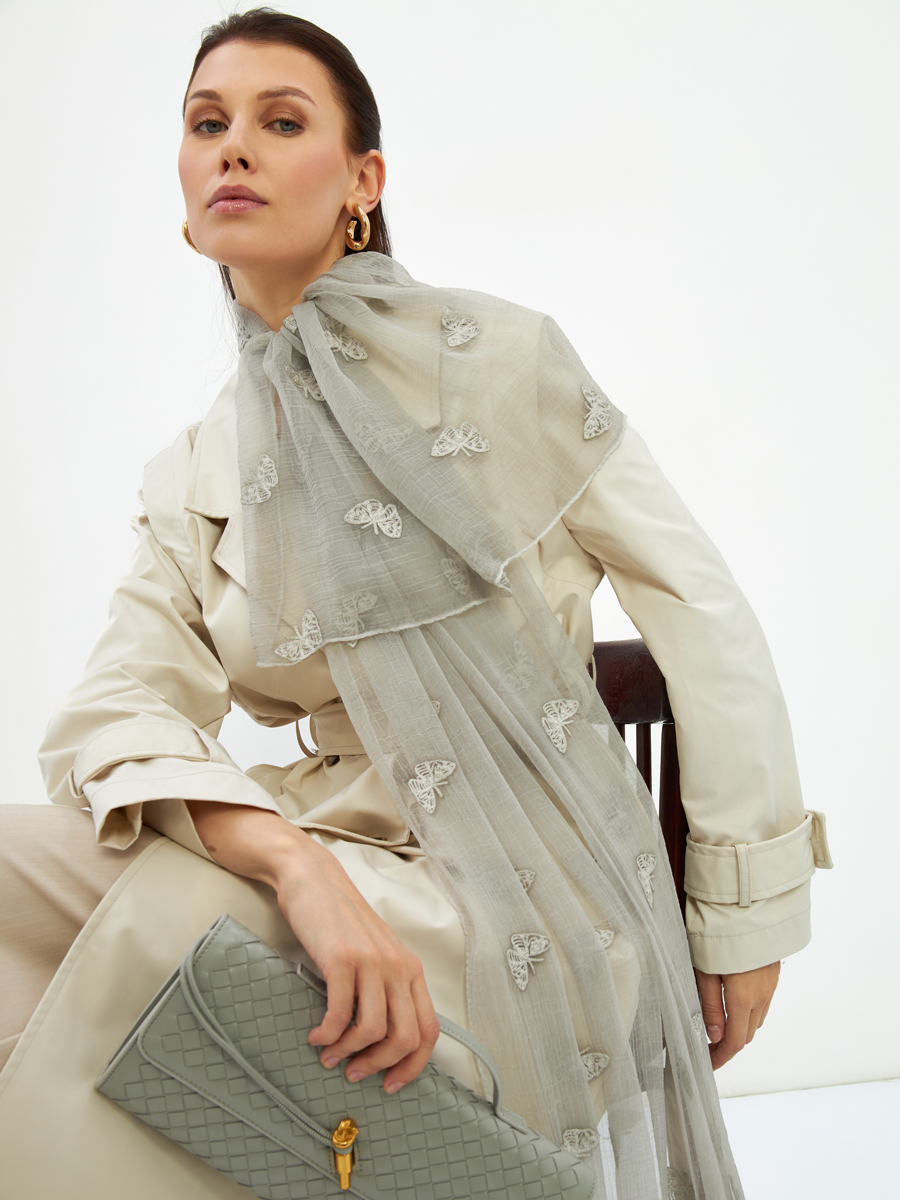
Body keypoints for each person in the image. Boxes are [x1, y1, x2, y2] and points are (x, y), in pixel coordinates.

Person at [0, 9, 832, 1200]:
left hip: (531, 881)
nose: (234, 147)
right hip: (327, 856)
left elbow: (702, 617)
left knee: (133, 950)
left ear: (363, 181)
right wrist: (295, 864)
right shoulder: (193, 470)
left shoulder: (501, 360)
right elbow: (115, 704)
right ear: (183, 193)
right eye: (206, 123)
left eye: (282, 121)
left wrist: (744, 921)